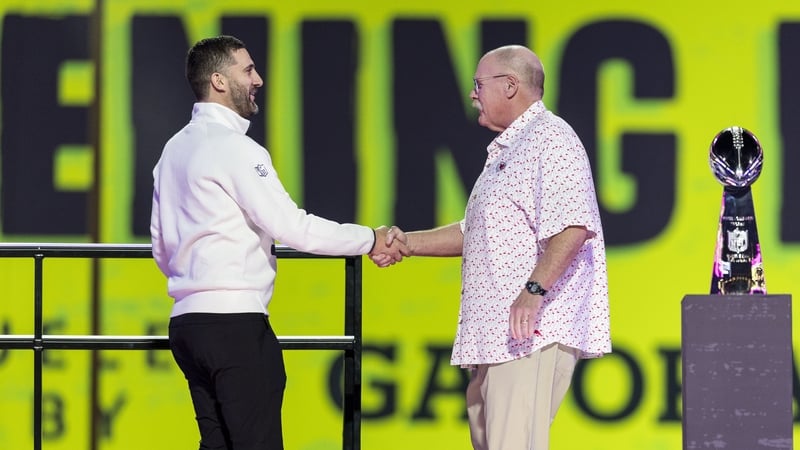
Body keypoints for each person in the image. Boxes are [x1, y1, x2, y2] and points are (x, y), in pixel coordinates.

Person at [150, 35, 404, 450]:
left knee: (217, 444)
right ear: (218, 80)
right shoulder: (236, 148)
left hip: (186, 325)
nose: (259, 79)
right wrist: (370, 238)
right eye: (247, 70)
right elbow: (294, 228)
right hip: (234, 326)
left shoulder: (173, 150)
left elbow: (161, 245)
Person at [375, 45, 611, 450]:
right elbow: (477, 232)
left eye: (477, 84)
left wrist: (533, 292)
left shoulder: (551, 140)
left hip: (529, 333)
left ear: (510, 86)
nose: (472, 94)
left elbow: (574, 227)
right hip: (495, 337)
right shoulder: (509, 149)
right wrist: (406, 243)